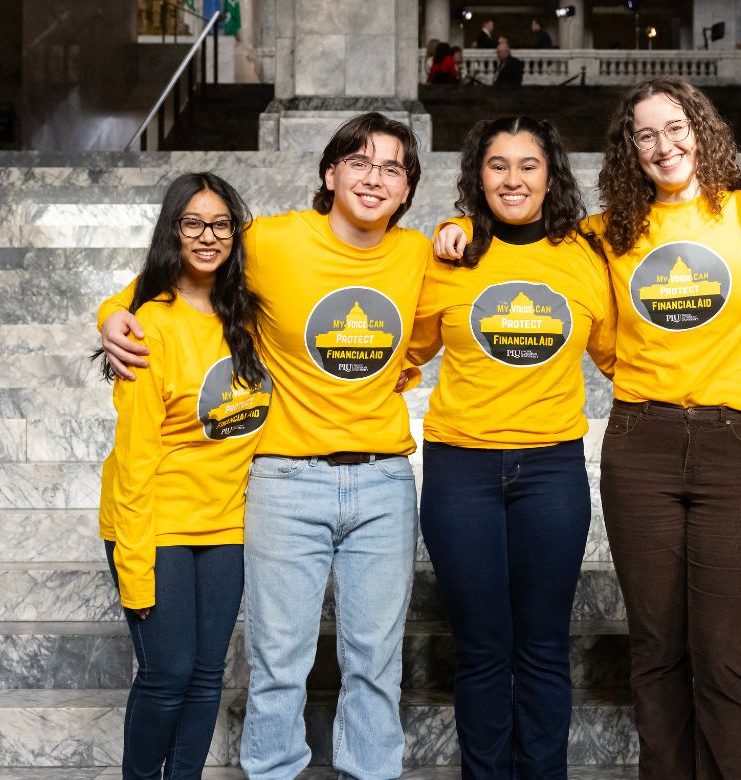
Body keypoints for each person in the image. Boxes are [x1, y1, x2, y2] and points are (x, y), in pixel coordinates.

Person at [433, 77, 741, 779]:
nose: (663, 144)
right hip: (643, 445)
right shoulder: (607, 231)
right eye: (645, 134)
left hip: (740, 446)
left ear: (702, 129)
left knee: (723, 653)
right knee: (657, 648)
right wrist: (455, 227)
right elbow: (530, 251)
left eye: (676, 127)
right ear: (628, 148)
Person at [99, 113, 430, 780]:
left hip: (382, 481)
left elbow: (432, 327)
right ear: (329, 173)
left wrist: (409, 363)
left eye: (392, 167)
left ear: (408, 189)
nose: (374, 177)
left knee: (376, 661)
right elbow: (185, 264)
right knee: (277, 661)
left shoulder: (420, 254)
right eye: (359, 162)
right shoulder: (269, 241)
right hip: (286, 481)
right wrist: (111, 312)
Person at [410, 116, 614, 779]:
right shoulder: (451, 253)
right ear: (478, 176)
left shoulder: (585, 256)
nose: (513, 178)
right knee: (481, 646)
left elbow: (622, 355)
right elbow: (400, 352)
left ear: (551, 173)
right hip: (459, 470)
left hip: (551, 469)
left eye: (528, 164)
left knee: (543, 646)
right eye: (498, 165)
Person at [95, 172, 270, 779]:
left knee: (204, 677)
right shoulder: (149, 328)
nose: (207, 236)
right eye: (192, 222)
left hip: (224, 528)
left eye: (220, 224)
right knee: (167, 675)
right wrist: (136, 575)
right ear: (173, 230)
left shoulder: (247, 314)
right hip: (157, 526)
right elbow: (136, 462)